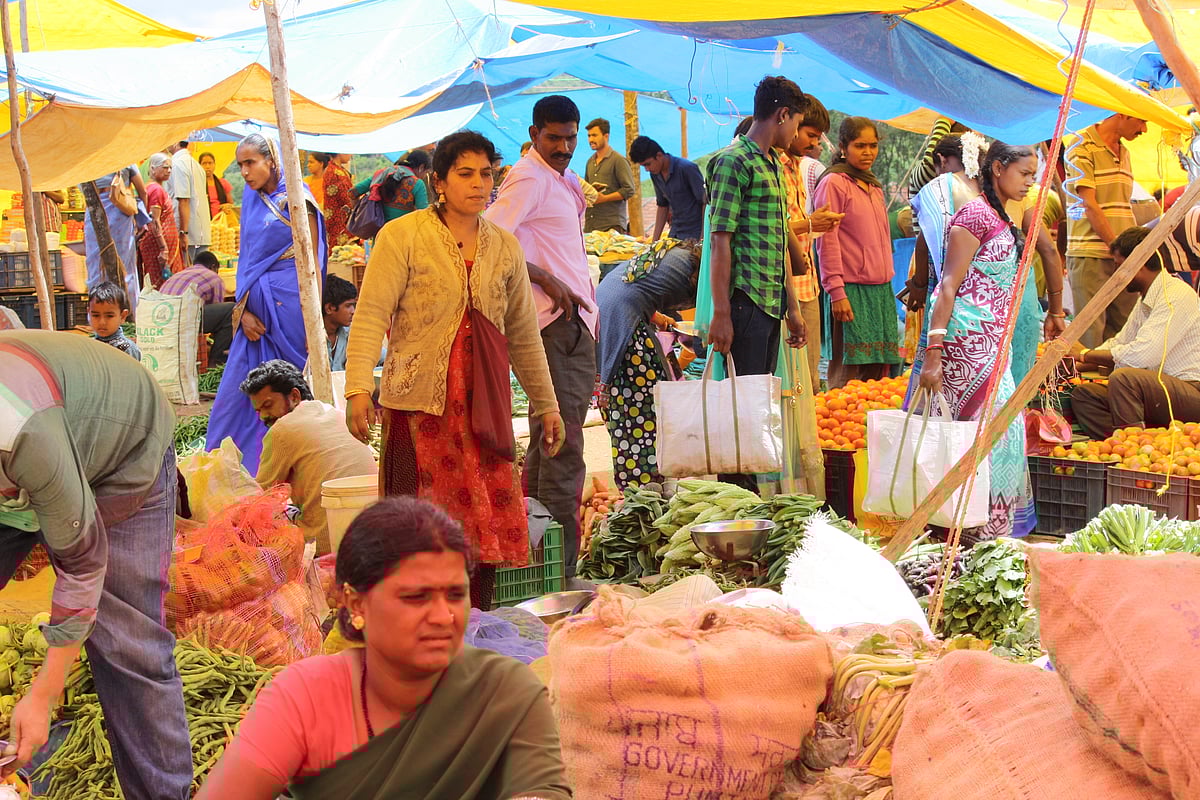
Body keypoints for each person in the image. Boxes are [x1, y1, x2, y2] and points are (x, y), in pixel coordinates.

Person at [194, 497, 571, 800]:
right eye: (414, 596)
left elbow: (539, 790)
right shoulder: (305, 695)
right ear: (357, 606)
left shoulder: (505, 691)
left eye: (455, 595)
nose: (443, 617)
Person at [347, 131, 564, 610]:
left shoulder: (504, 248)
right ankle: (413, 621)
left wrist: (547, 405)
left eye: (486, 173)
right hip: (419, 405)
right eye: (464, 173)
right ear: (438, 181)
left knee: (481, 527)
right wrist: (358, 387)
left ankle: (476, 622)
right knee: (415, 524)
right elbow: (370, 316)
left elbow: (524, 335)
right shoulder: (401, 236)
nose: (478, 183)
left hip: (483, 406)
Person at [0, 331, 193, 799]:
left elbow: (83, 564)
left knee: (127, 645)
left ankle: (162, 794)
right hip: (39, 456)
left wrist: (44, 693)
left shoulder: (23, 431)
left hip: (122, 450)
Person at [484, 96, 596, 582]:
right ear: (534, 134)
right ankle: (560, 572)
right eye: (554, 138)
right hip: (554, 325)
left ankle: (535, 563)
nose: (565, 147)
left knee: (548, 444)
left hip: (570, 324)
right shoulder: (528, 176)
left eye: (571, 137)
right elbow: (488, 238)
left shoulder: (560, 177)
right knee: (563, 447)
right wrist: (545, 279)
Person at [918, 141, 1040, 541]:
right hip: (965, 348)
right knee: (974, 440)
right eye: (1024, 174)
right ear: (998, 168)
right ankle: (963, 531)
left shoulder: (1001, 215)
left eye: (1033, 176)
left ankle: (987, 533)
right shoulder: (973, 216)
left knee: (1002, 437)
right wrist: (933, 353)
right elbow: (947, 286)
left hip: (994, 347)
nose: (1029, 183)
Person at [705, 75, 809, 491]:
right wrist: (722, 313)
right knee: (739, 410)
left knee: (756, 408)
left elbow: (778, 242)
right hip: (744, 305)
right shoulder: (733, 161)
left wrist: (794, 308)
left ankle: (749, 501)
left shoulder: (769, 163)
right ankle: (734, 500)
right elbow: (720, 241)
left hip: (770, 306)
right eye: (796, 125)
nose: (796, 134)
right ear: (782, 114)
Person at [205, 134, 326, 473]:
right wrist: (242, 312)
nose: (243, 172)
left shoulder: (297, 200)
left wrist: (312, 319)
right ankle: (228, 468)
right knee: (235, 397)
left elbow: (312, 262)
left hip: (291, 314)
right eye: (240, 164)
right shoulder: (253, 199)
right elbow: (248, 260)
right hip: (254, 319)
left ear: (272, 160)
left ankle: (286, 466)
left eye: (250, 163)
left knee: (288, 394)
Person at [1070, 226, 1200, 439]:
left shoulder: (1175, 295)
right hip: (1158, 390)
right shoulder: (1146, 299)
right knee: (1086, 395)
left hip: (1191, 391)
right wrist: (1074, 361)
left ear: (1140, 264)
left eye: (1120, 266)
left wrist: (1084, 354)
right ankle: (1121, 445)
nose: (1116, 274)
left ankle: (1134, 448)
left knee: (1124, 378)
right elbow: (1119, 343)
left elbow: (1140, 357)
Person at [241, 360, 377, 554]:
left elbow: (260, 496)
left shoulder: (283, 429)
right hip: (371, 533)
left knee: (257, 523)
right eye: (258, 410)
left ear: (294, 396)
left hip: (325, 544)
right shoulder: (335, 413)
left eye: (268, 405)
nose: (263, 416)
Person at [597, 241, 701, 488]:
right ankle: (647, 484)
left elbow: (637, 287)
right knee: (643, 406)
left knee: (628, 407)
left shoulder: (674, 255)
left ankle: (640, 482)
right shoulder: (697, 269)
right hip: (623, 324)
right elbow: (705, 325)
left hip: (609, 314)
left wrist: (657, 317)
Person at [814, 116, 900, 388]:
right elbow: (826, 241)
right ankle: (832, 426)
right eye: (860, 145)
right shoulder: (834, 183)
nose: (868, 152)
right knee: (847, 373)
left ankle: (868, 427)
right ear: (842, 147)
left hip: (880, 290)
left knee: (878, 375)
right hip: (850, 290)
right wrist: (836, 292)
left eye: (873, 146)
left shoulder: (873, 186)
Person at [1065, 113, 1147, 347]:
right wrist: (1117, 246)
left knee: (1125, 332)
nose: (1144, 129)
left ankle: (1114, 384)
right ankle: (1086, 385)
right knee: (1090, 335)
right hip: (1091, 253)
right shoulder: (1081, 145)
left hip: (1122, 255)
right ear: (1122, 114)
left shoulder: (1125, 152)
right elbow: (1088, 204)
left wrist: (1126, 252)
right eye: (1142, 120)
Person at [778, 96, 842, 383]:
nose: (814, 143)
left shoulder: (798, 164)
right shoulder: (772, 164)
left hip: (807, 283)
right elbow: (774, 227)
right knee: (790, 378)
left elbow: (793, 225)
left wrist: (815, 225)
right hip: (783, 286)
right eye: (809, 135)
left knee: (809, 376)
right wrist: (810, 223)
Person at [84, 165, 144, 316]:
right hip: (120, 213)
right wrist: (142, 219)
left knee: (95, 264)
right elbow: (142, 191)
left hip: (95, 212)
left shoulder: (89, 160)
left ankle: (97, 314)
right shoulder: (125, 159)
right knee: (125, 266)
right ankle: (126, 313)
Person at [161, 249, 235, 366]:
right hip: (180, 317)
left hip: (161, 317)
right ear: (213, 266)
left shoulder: (181, 273)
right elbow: (218, 315)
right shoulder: (214, 277)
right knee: (231, 311)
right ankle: (216, 364)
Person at [629, 135, 706, 242]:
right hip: (675, 232)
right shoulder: (655, 174)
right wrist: (654, 242)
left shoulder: (687, 168)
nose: (647, 169)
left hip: (694, 232)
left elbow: (705, 203)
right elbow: (662, 206)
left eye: (648, 164)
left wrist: (703, 237)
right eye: (644, 166)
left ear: (659, 156)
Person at [136, 153, 183, 288]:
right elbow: (155, 221)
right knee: (163, 284)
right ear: (152, 169)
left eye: (170, 168)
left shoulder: (153, 188)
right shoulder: (156, 190)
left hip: (159, 243)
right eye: (164, 167)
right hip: (158, 245)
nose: (168, 171)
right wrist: (163, 248)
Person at [583, 118, 637, 234]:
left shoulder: (618, 160)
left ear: (606, 136)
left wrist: (604, 198)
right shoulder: (590, 162)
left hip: (612, 226)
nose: (591, 139)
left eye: (594, 135)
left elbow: (629, 189)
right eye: (589, 136)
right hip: (591, 226)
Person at [352, 150, 431, 224]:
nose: (424, 176)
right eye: (426, 172)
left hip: (379, 234)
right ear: (421, 167)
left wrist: (357, 212)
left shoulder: (383, 174)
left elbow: (352, 193)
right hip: (403, 234)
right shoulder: (417, 183)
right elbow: (423, 215)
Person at [167, 140, 213, 265]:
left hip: (188, 233)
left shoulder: (178, 164)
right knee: (200, 276)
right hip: (201, 232)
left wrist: (183, 233)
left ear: (176, 143)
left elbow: (184, 200)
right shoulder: (196, 165)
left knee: (187, 277)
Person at [87, 280, 140, 361]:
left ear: (122, 316)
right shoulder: (89, 347)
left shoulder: (126, 349)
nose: (102, 322)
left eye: (109, 316)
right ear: (89, 313)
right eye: (96, 315)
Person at [323, 274, 357, 371]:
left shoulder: (352, 334)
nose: (353, 311)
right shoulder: (308, 339)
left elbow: (384, 357)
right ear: (329, 308)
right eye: (348, 306)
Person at [323, 153, 356, 250]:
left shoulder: (338, 170)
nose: (351, 155)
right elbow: (347, 198)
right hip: (339, 220)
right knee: (339, 251)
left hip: (340, 217)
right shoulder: (335, 173)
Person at [199, 151, 234, 220]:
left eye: (210, 163)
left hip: (221, 223)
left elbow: (231, 205)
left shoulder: (223, 183)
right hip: (203, 222)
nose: (207, 166)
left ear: (214, 164)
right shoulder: (197, 184)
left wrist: (227, 206)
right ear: (199, 166)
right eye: (204, 163)